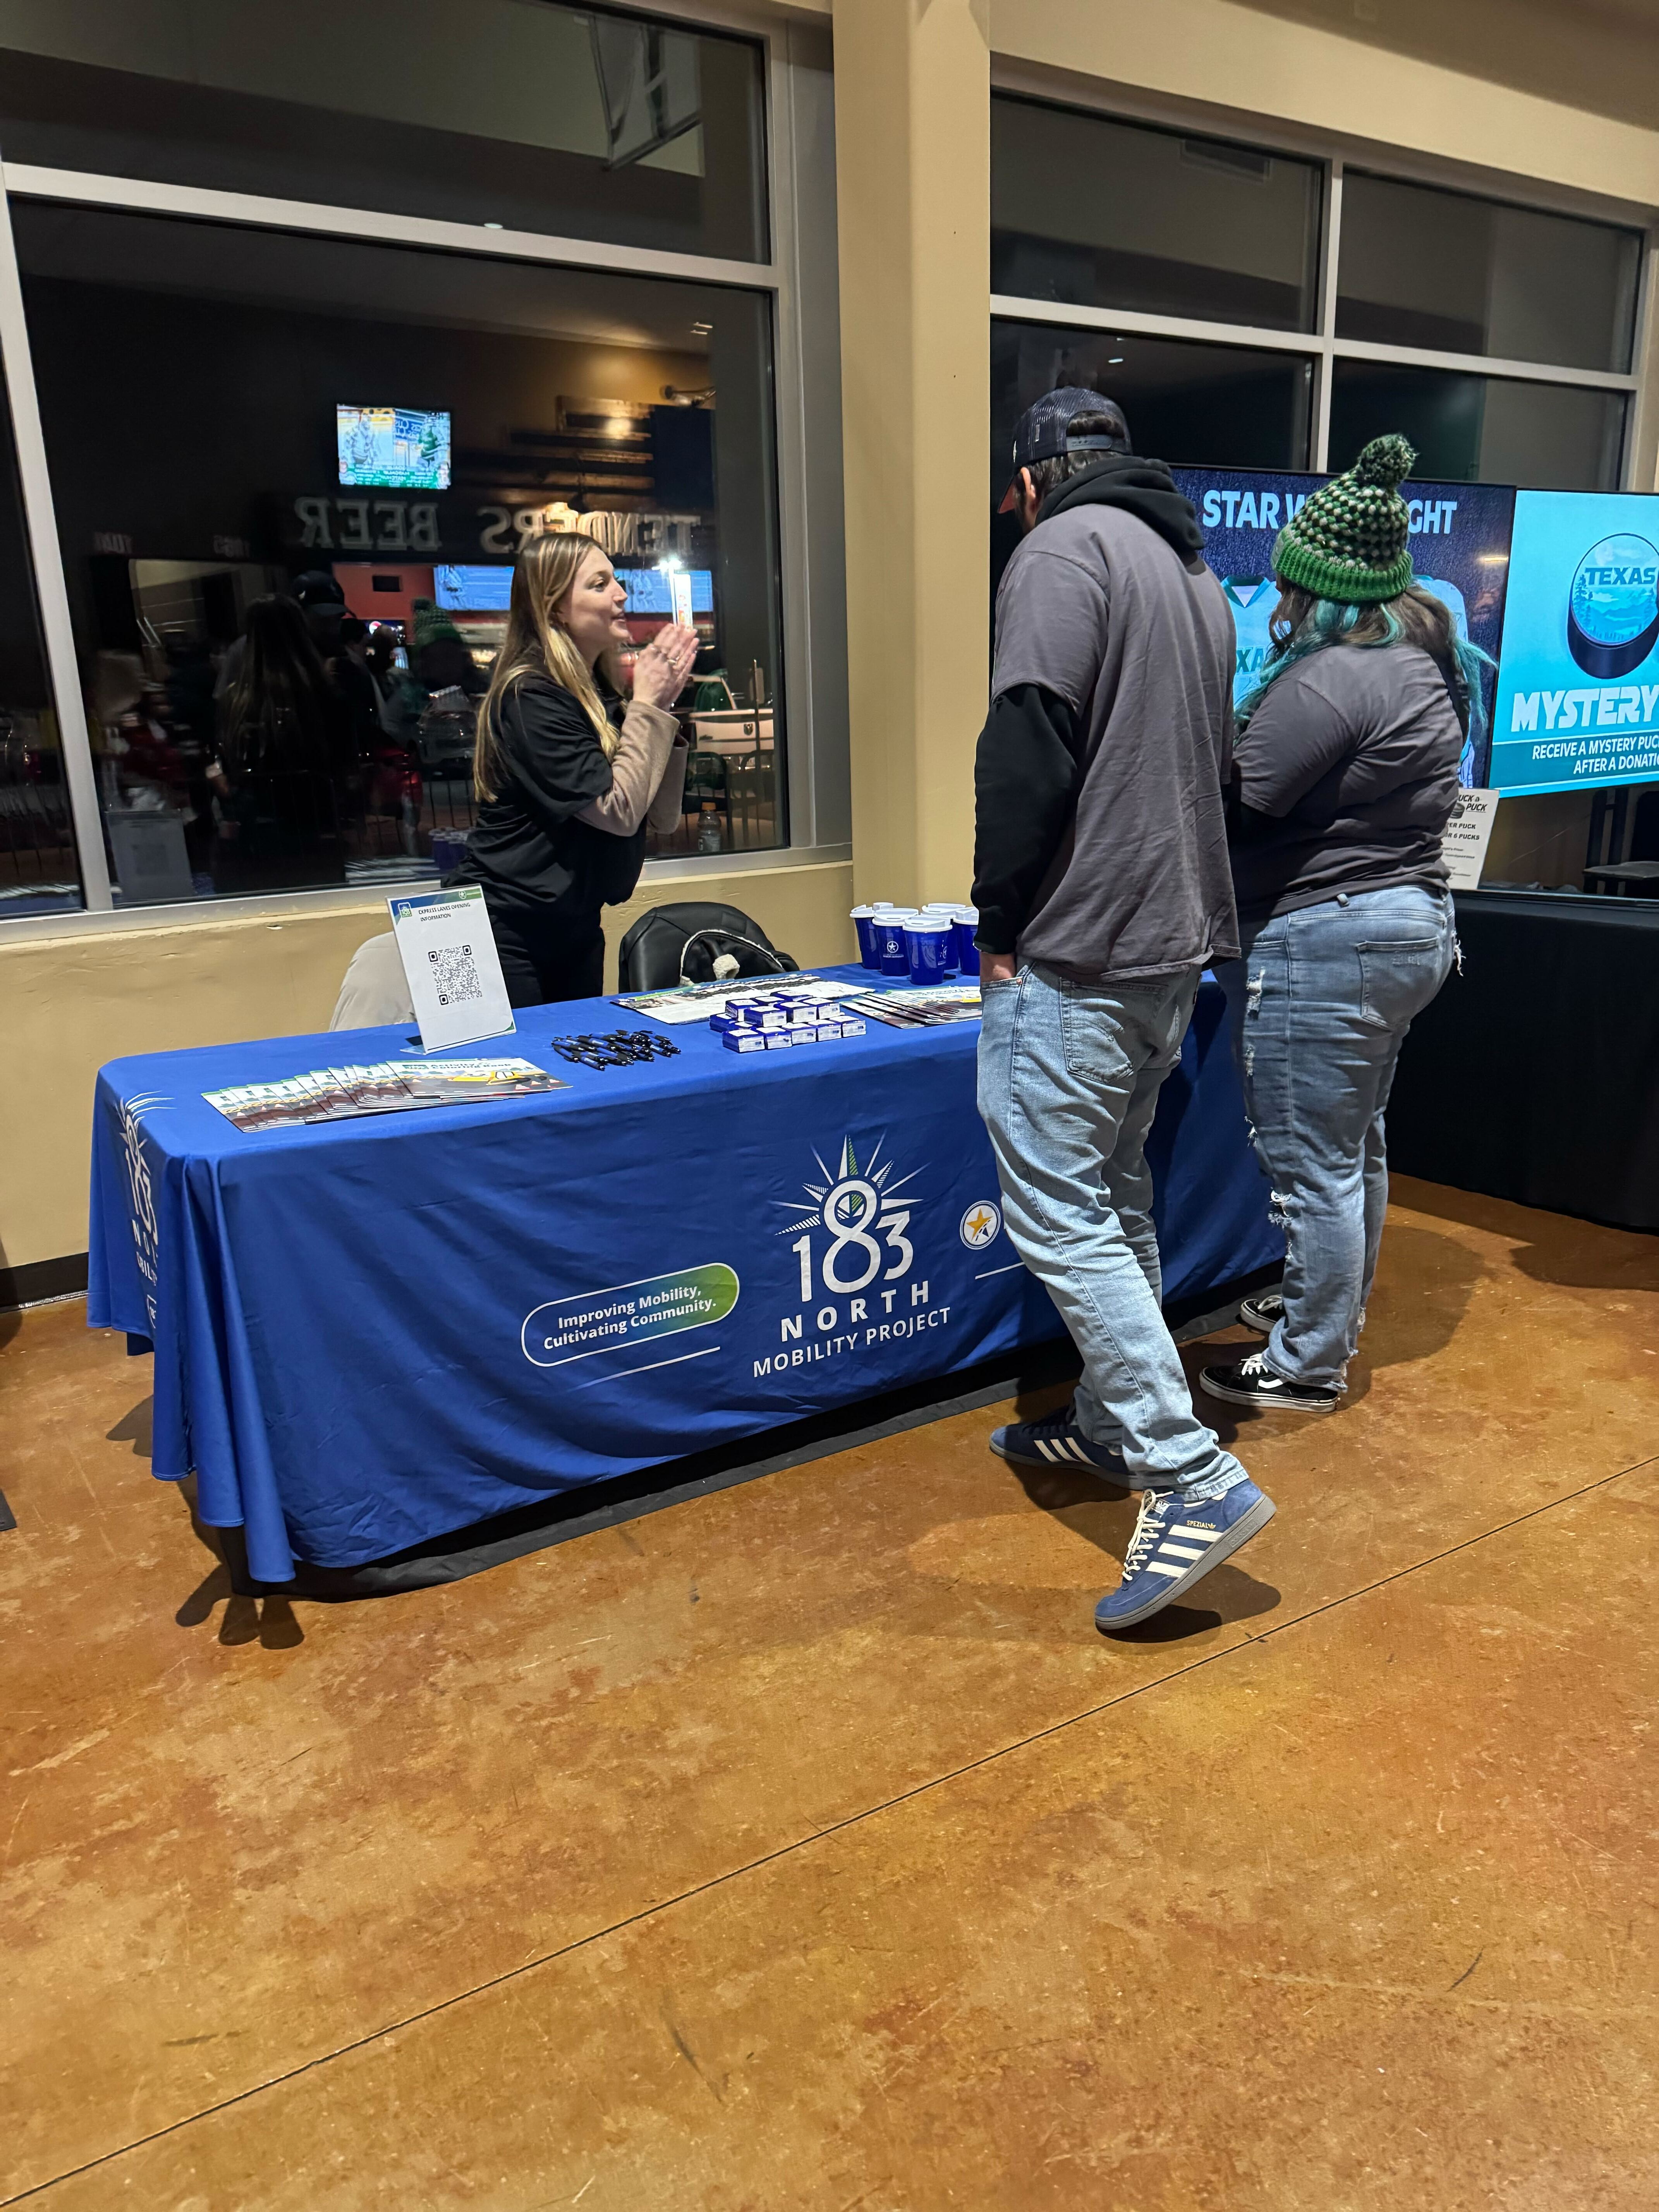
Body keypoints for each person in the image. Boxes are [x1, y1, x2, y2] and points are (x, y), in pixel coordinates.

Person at [972, 385, 1276, 1634]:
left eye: (1010, 488)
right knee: (1118, 1193)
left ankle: (1185, 1467)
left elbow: (1028, 740)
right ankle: (1111, 1423)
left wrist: (996, 919)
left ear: (1038, 476)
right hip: (1171, 945)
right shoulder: (1189, 569)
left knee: (1058, 1206)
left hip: (1081, 945)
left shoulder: (1061, 552)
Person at [1199, 434, 1471, 1416]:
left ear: (1312, 585)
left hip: (1329, 939)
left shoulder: (1329, 679)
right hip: (1408, 925)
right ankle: (1326, 1307)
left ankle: (1309, 1361)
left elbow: (1241, 805)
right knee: (1354, 1147)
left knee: (1311, 1163)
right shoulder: (1423, 662)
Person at [450, 533, 694, 1005]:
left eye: (616, 580)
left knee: (575, 1070)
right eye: (600, 585)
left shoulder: (601, 696)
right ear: (556, 608)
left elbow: (660, 816)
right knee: (513, 1074)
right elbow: (617, 813)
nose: (622, 594)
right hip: (498, 926)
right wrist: (646, 703)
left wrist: (659, 710)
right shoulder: (530, 696)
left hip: (573, 923)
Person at [211, 594, 359, 888]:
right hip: (317, 820)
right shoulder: (325, 693)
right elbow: (346, 759)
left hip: (255, 825)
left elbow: (227, 762)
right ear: (301, 630)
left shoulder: (234, 700)